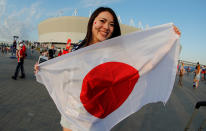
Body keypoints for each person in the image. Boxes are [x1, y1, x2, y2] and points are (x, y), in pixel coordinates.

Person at [34, 7, 181, 131]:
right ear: (93, 21)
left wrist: (169, 40)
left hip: (94, 121)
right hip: (71, 116)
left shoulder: (116, 56)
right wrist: (45, 70)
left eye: (111, 24)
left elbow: (146, 65)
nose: (106, 27)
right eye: (103, 21)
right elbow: (65, 78)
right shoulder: (77, 50)